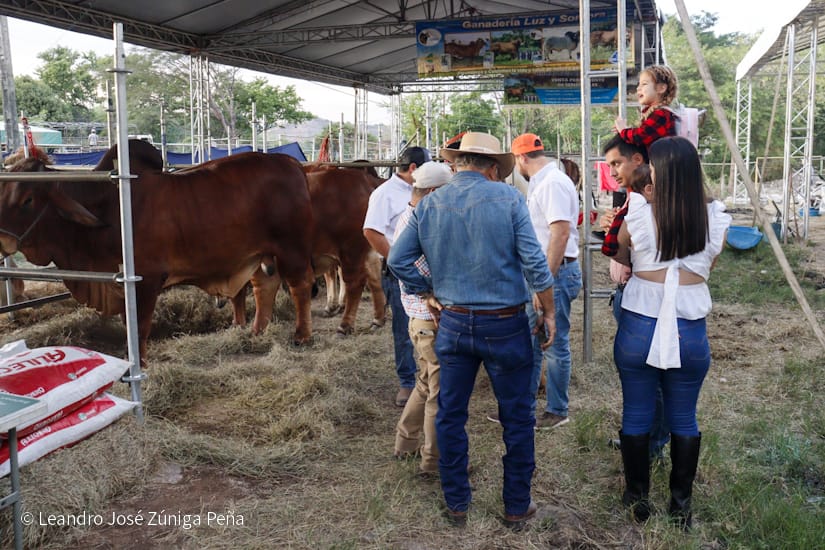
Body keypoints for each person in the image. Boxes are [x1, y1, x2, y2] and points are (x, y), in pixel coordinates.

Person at [388, 132, 556, 529]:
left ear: (458, 163)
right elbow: (534, 263)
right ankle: (516, 505)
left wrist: (427, 290)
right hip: (506, 323)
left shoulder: (430, 203)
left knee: (450, 413)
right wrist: (548, 311)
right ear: (494, 168)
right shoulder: (509, 198)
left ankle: (457, 503)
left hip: (454, 321)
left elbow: (398, 260)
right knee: (516, 417)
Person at [613, 136, 731, 528]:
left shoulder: (640, 212)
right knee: (684, 417)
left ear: (658, 171)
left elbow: (622, 248)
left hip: (639, 323)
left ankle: (637, 501)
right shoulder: (715, 217)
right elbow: (707, 267)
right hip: (689, 327)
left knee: (637, 412)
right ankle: (681, 507)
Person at [508, 133, 581, 430]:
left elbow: (560, 233)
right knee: (534, 341)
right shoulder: (544, 181)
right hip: (547, 273)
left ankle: (557, 410)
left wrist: (544, 283)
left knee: (554, 342)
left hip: (555, 273)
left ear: (521, 157)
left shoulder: (551, 183)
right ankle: (524, 408)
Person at [392, 161, 453, 478]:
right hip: (429, 318)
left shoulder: (410, 216)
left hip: (416, 318)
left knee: (425, 382)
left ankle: (405, 442)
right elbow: (398, 263)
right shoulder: (420, 221)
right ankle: (433, 461)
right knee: (439, 393)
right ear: (431, 192)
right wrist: (427, 291)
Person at [364, 146, 430, 408]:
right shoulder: (385, 194)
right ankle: (407, 381)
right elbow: (371, 231)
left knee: (428, 325)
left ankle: (429, 376)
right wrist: (396, 260)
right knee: (403, 328)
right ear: (413, 169)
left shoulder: (424, 190)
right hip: (400, 271)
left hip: (425, 269)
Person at [613, 64, 678, 209]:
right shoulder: (653, 114)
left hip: (661, 172)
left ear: (661, 88)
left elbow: (640, 136)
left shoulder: (661, 114)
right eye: (638, 85)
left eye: (644, 84)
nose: (638, 88)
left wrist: (623, 131)